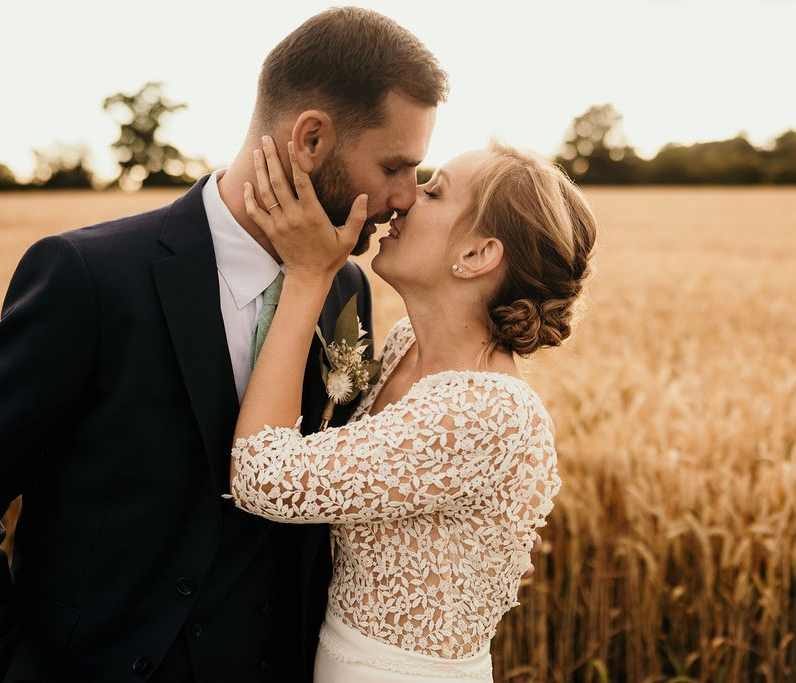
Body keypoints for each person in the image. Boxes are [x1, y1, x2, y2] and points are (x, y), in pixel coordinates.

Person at [0, 7, 447, 683]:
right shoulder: (90, 278)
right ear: (311, 138)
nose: (405, 196)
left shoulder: (344, 289)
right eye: (396, 166)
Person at [226, 134, 597, 682]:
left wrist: (308, 277)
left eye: (435, 192)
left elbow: (263, 479)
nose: (404, 199)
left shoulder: (485, 410)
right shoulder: (405, 345)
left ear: (476, 255)